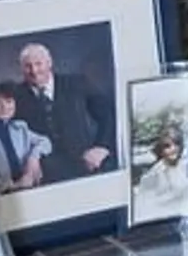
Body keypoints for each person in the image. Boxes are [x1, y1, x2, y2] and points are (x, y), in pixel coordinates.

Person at [10, 42, 114, 175]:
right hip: (42, 172)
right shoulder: (14, 95)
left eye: (38, 64)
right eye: (28, 66)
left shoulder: (76, 83)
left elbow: (107, 114)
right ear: (21, 69)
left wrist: (102, 147)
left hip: (86, 163)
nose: (34, 71)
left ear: (49, 63)